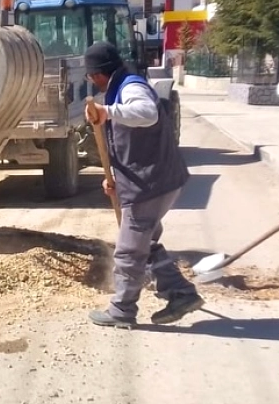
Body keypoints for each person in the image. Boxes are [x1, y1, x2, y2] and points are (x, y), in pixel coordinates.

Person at [84, 42, 204, 328]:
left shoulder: (130, 88)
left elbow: (147, 113)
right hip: (154, 181)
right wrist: (114, 178)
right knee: (145, 243)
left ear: (98, 74)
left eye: (90, 76)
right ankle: (181, 293)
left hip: (151, 184)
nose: (91, 82)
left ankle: (122, 310)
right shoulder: (120, 89)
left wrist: (109, 111)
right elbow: (129, 144)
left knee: (128, 250)